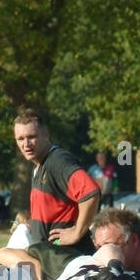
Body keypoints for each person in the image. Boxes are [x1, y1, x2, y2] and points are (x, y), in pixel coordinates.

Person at [15, 108, 100, 253]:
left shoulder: (58, 161)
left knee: (2, 257)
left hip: (66, 258)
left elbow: (90, 192)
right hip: (49, 256)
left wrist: (77, 232)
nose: (26, 144)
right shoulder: (39, 165)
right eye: (21, 139)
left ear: (46, 135)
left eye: (32, 137)